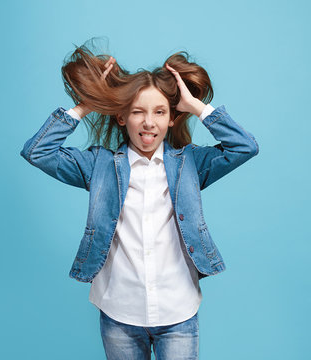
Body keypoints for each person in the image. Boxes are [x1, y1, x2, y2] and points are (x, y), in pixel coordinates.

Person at [20, 42, 259, 360]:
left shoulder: (190, 164)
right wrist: (84, 106)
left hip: (178, 311)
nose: (149, 122)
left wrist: (197, 107)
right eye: (138, 112)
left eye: (160, 112)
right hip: (119, 312)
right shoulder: (99, 166)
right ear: (122, 117)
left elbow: (245, 147)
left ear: (172, 118)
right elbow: (38, 152)